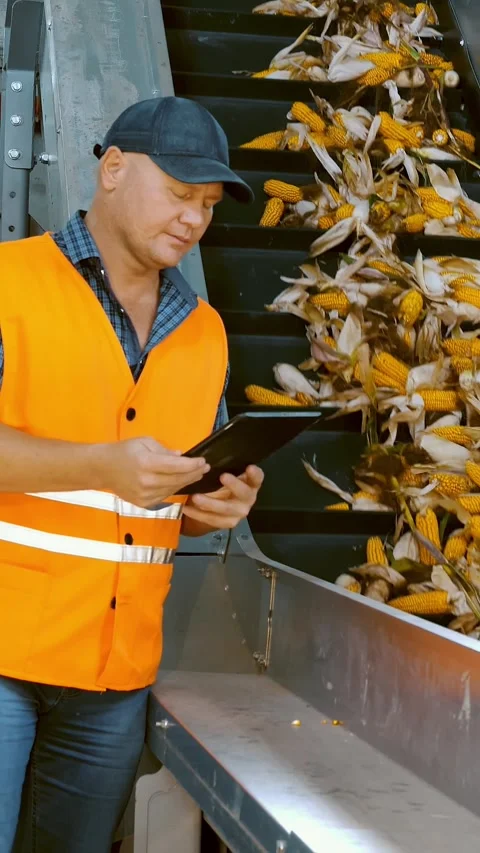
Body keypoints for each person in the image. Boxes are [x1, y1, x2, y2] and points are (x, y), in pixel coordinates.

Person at [0, 95, 263, 853]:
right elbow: (110, 471)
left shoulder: (205, 331)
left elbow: (176, 488)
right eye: (180, 193)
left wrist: (216, 503)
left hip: (114, 675)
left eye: (207, 205)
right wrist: (101, 466)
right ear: (113, 169)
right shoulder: (10, 283)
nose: (193, 218)